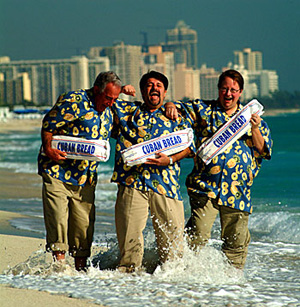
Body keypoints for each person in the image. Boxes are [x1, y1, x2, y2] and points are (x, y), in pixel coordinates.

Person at [168, 69, 273, 269]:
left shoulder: (251, 118)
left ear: (240, 92)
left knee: (235, 244)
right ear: (218, 89)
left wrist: (256, 128)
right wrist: (171, 105)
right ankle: (183, 276)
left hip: (237, 191)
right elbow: (177, 108)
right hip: (205, 187)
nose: (228, 94)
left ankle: (232, 289)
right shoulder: (203, 110)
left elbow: (263, 150)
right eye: (224, 88)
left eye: (233, 90)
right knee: (196, 236)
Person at [37, 71, 135, 271]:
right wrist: (48, 147)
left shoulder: (111, 107)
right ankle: (60, 270)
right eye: (108, 97)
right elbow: (48, 124)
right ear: (97, 89)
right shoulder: (74, 101)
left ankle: (80, 272)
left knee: (83, 228)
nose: (111, 102)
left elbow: (135, 119)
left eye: (114, 98)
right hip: (57, 171)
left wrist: (121, 93)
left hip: (86, 178)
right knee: (58, 221)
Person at [111, 71, 195, 273]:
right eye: (149, 85)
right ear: (142, 91)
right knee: (129, 248)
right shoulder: (127, 112)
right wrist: (121, 90)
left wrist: (172, 159)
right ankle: (127, 289)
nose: (154, 88)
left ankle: (170, 293)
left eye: (159, 85)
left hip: (165, 186)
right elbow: (105, 100)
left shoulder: (175, 117)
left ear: (165, 92)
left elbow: (192, 147)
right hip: (133, 183)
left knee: (173, 253)